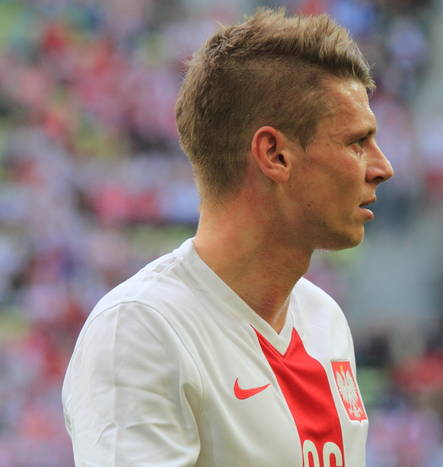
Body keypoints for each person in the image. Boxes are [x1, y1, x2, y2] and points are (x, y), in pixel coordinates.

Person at [62, 8, 393, 466]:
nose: (382, 167)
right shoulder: (142, 329)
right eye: (357, 142)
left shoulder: (325, 321)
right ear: (274, 155)